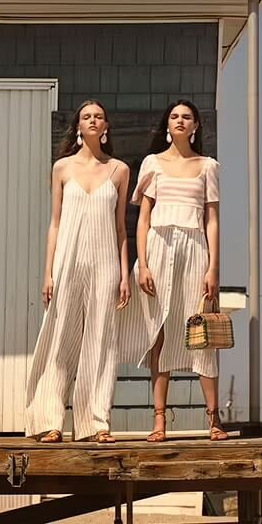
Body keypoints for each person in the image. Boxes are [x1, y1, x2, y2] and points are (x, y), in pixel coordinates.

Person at [119, 99, 229, 442]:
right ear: (167, 125)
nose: (180, 121)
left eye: (187, 117)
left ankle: (213, 419)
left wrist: (213, 266)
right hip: (159, 246)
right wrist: (144, 264)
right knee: (160, 332)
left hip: (195, 247)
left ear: (196, 126)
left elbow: (212, 219)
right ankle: (159, 421)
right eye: (174, 116)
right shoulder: (153, 163)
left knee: (200, 331)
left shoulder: (208, 166)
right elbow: (143, 219)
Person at [25, 99, 131, 444]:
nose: (93, 120)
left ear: (106, 127)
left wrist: (125, 274)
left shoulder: (119, 170)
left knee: (101, 340)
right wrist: (47, 272)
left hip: (105, 262)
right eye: (86, 116)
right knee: (59, 337)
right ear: (78, 127)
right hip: (67, 259)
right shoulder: (62, 168)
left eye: (99, 116)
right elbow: (54, 224)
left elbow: (120, 229)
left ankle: (95, 422)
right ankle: (50, 419)